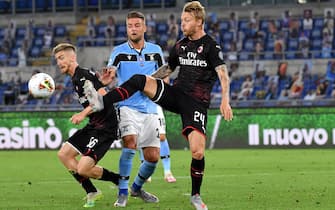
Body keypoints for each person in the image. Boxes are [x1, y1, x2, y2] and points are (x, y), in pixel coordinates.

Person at [84, 2, 233, 210]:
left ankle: (195, 196)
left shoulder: (210, 45)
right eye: (182, 20)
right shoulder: (180, 45)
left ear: (199, 21)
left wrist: (225, 99)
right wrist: (148, 83)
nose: (182, 24)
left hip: (196, 104)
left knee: (197, 152)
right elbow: (168, 69)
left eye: (187, 21)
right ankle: (101, 102)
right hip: (176, 95)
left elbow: (223, 75)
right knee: (139, 79)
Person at [106, 11, 164, 207]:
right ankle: (122, 192)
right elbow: (111, 73)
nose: (133, 28)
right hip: (127, 106)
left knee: (152, 157)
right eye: (130, 25)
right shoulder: (119, 51)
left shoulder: (156, 50)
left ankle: (136, 188)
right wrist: (107, 77)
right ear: (126, 28)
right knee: (130, 144)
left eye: (137, 25)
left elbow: (164, 76)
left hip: (150, 108)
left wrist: (161, 86)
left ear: (144, 28)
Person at [53, 43, 120, 208]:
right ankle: (91, 191)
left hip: (105, 127)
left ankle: (119, 180)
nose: (59, 62)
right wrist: (101, 84)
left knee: (83, 169)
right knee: (64, 154)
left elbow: (103, 99)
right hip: (94, 124)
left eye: (61, 58)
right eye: (57, 60)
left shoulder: (82, 75)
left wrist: (82, 114)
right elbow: (98, 91)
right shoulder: (76, 77)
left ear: (72, 57)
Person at [139, 105, 177, 183]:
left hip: (155, 104)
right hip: (140, 105)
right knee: (142, 136)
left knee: (161, 137)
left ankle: (167, 172)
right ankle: (145, 172)